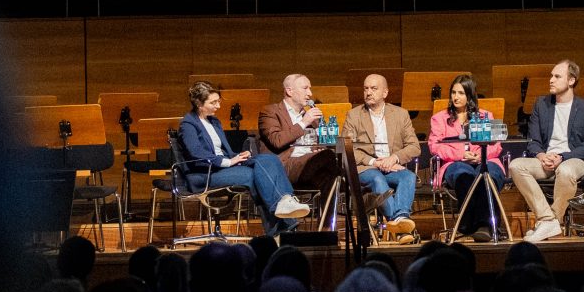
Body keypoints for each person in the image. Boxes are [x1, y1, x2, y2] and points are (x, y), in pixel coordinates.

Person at [177, 81, 307, 235]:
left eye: (218, 101)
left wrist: (237, 156)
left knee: (269, 159)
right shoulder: (188, 124)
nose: (218, 106)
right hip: (204, 173)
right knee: (252, 175)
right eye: (213, 102)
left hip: (222, 166)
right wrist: (228, 162)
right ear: (199, 104)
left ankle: (285, 202)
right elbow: (197, 154)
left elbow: (222, 151)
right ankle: (284, 225)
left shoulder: (214, 121)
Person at [508, 59, 584, 244]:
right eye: (551, 76)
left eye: (557, 76)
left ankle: (553, 219)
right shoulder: (541, 104)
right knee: (516, 166)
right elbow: (533, 141)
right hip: (547, 159)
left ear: (571, 80)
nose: (551, 80)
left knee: (565, 170)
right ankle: (547, 219)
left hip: (575, 159)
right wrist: (542, 155)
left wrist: (562, 157)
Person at [342, 72, 422, 242]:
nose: (368, 92)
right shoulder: (354, 115)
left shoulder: (401, 114)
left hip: (392, 167)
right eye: (366, 89)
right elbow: (345, 147)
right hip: (366, 168)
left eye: (373, 88)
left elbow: (414, 147)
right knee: (377, 178)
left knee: (408, 177)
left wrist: (394, 158)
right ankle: (399, 226)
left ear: (385, 93)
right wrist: (374, 162)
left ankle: (401, 217)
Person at [428, 72, 508, 239]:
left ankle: (486, 225)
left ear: (470, 95)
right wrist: (460, 154)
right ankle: (468, 224)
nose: (455, 97)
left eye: (461, 93)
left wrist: (480, 155)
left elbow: (496, 145)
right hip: (455, 162)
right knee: (463, 174)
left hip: (485, 159)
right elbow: (434, 146)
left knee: (487, 174)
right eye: (453, 92)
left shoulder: (486, 116)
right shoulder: (439, 118)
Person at [257, 72, 344, 209]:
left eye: (310, 89)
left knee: (330, 176)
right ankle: (357, 196)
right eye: (305, 88)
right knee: (331, 160)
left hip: (311, 166)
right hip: (284, 166)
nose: (310, 93)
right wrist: (303, 122)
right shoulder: (270, 112)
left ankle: (328, 221)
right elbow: (277, 141)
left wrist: (320, 146)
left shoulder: (311, 117)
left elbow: (323, 144)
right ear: (289, 91)